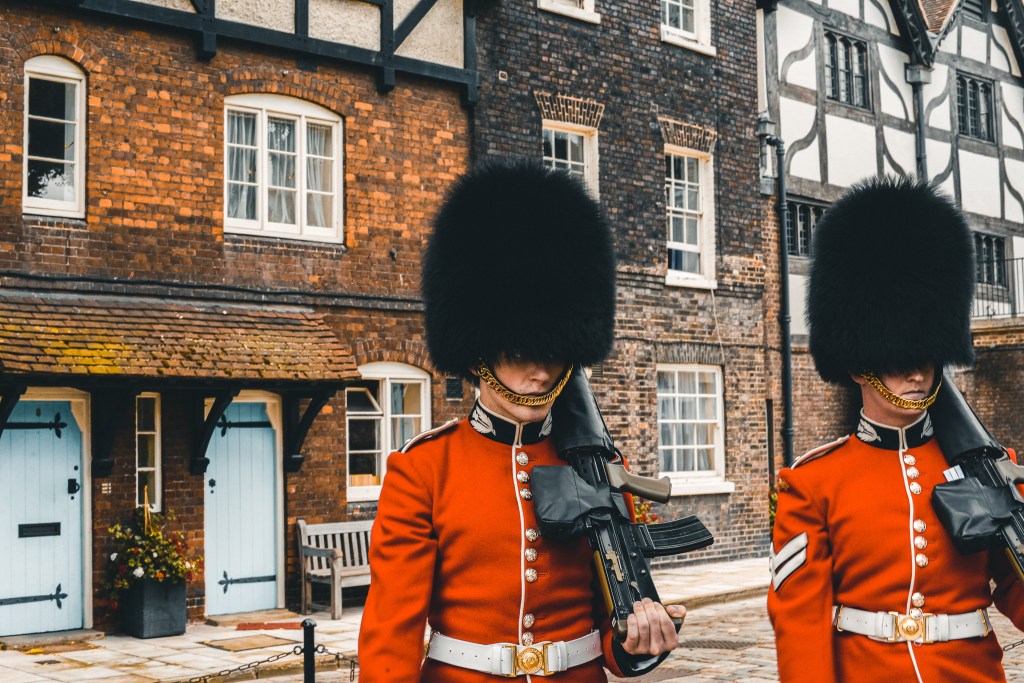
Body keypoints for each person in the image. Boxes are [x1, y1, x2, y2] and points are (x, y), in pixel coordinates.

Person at [357, 158, 686, 681]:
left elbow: (610, 636)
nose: (539, 371)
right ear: (476, 353)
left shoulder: (600, 465)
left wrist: (636, 643)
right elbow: (391, 640)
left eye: (554, 351)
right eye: (519, 350)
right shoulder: (423, 470)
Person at [768, 176, 1024, 681]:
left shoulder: (988, 468)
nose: (917, 372)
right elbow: (801, 627)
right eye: (897, 358)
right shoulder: (812, 483)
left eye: (925, 356)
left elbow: (1016, 588)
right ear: (860, 363)